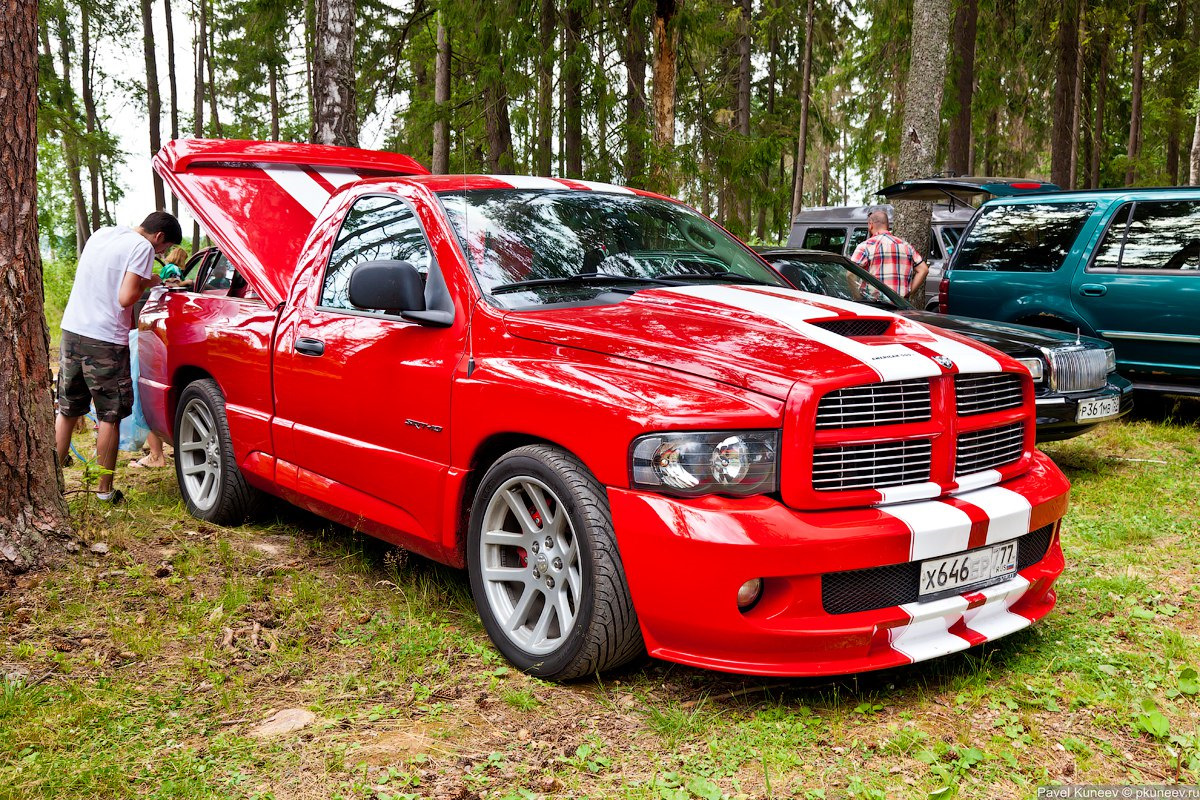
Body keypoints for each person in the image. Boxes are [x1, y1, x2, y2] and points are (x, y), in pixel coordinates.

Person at [55, 211, 182, 503]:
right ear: (159, 237)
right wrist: (150, 283)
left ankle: (52, 486)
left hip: (72, 330)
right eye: (165, 247)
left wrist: (146, 279)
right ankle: (104, 491)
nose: (161, 253)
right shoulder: (143, 247)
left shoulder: (102, 234)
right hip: (105, 339)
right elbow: (125, 297)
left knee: (68, 410)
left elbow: (105, 279)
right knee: (109, 414)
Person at [131, 244, 190, 469]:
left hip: (158, 334)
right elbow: (171, 288)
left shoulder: (163, 272)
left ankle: (156, 455)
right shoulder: (173, 271)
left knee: (148, 394)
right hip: (171, 333)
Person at [850, 209, 929, 303]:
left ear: (870, 225)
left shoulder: (865, 246)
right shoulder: (906, 246)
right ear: (887, 225)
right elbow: (923, 269)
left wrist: (858, 297)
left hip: (874, 304)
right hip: (900, 304)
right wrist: (909, 292)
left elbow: (850, 274)